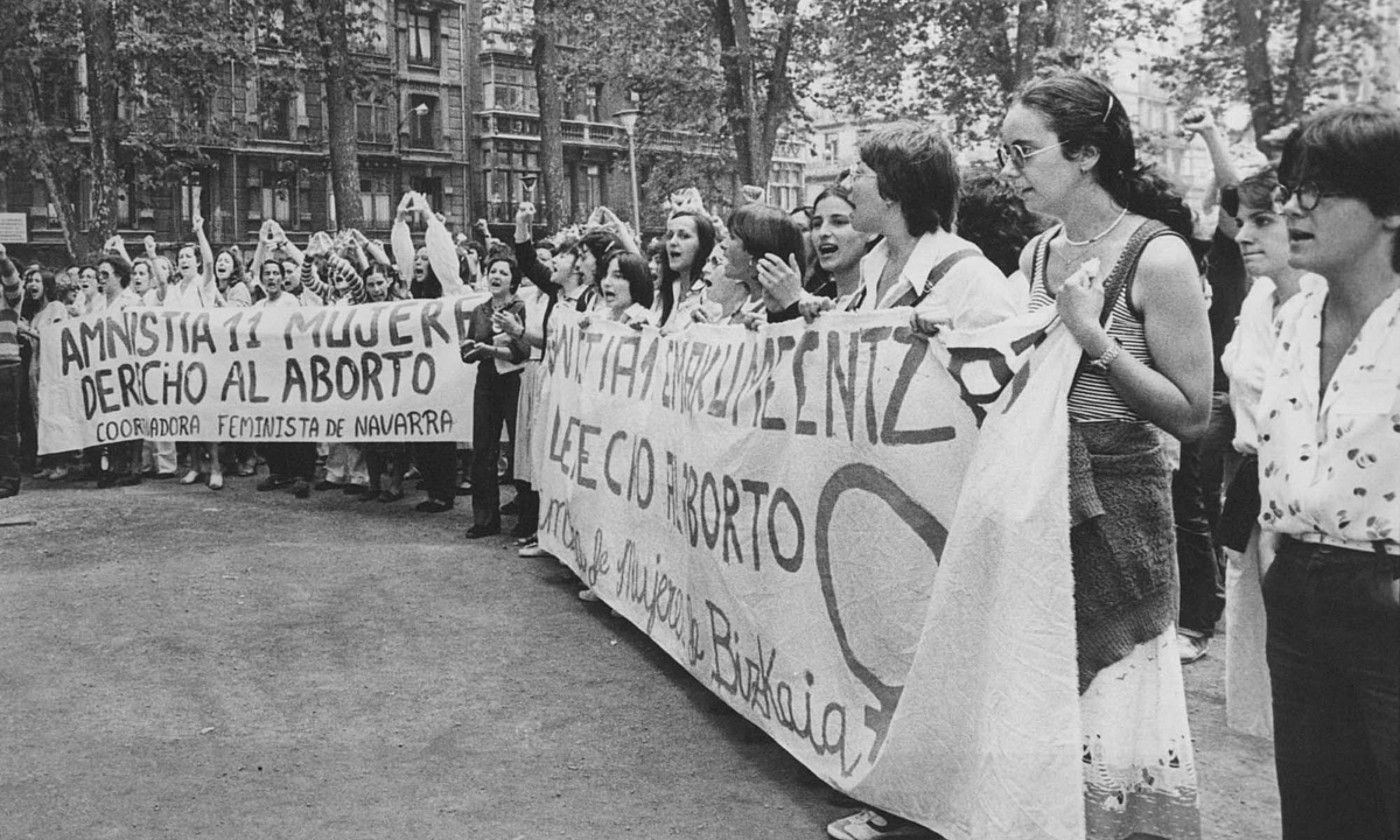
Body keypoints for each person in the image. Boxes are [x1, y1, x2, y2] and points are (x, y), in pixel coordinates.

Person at [994, 72, 1210, 840]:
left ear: (1084, 153)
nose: (1007, 167)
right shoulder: (1033, 255)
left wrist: (1091, 336)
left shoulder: (1158, 258)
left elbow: (1193, 414)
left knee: (1111, 715)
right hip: (1039, 507)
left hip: (1119, 516)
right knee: (1040, 703)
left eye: (1022, 150)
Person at [1256, 104, 1399, 840]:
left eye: (1319, 189)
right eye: (1289, 188)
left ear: (1392, 208)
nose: (1291, 207)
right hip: (1302, 594)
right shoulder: (1291, 317)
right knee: (1319, 819)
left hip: (1389, 594)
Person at [1216, 167, 1326, 739]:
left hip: (1312, 499)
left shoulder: (1322, 303)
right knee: (1260, 631)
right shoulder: (1258, 298)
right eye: (1240, 222)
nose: (1244, 235)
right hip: (1255, 480)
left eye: (1262, 220)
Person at [804, 122, 1025, 332]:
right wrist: (831, 322)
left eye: (858, 174)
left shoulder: (973, 278)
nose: (846, 186)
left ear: (891, 188)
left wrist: (948, 347)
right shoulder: (873, 266)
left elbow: (1004, 367)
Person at [458, 255, 529, 538]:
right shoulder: (479, 310)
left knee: (519, 448)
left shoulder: (520, 307)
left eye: (503, 272)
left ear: (513, 279)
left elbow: (520, 351)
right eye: (492, 271)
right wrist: (469, 351)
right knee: (483, 448)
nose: (496, 276)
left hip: (513, 380)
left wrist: (492, 351)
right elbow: (467, 347)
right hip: (486, 379)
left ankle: (526, 518)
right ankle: (485, 519)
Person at [252, 260, 315, 500]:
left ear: (282, 277)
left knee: (295, 420)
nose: (271, 278)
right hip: (267, 370)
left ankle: (302, 474)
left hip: (291, 368)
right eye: (266, 273)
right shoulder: (257, 306)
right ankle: (278, 471)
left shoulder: (291, 302)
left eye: (275, 273)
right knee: (271, 421)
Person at [803, 184, 872, 308]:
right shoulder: (815, 301)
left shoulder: (885, 299)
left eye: (838, 222)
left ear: (871, 232)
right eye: (817, 224)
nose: (823, 233)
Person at [0, 247, 23, 498]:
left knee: (5, 428)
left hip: (5, 366)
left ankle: (9, 479)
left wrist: (3, 259)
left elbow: (12, 279)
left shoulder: (9, 294)